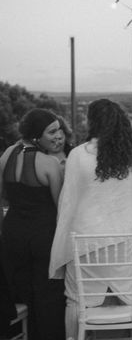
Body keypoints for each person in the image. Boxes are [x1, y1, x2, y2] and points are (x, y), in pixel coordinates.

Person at [48, 99, 132, 340]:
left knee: (76, 301)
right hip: (122, 247)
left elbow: (68, 203)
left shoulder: (77, 155)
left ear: (93, 122)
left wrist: (62, 245)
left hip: (85, 245)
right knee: (130, 298)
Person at [0, 108, 66, 339]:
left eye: (59, 129)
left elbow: (3, 198)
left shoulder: (6, 154)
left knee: (23, 297)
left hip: (12, 236)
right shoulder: (50, 164)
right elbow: (61, 209)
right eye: (52, 131)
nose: (58, 135)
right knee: (49, 301)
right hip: (44, 237)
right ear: (37, 135)